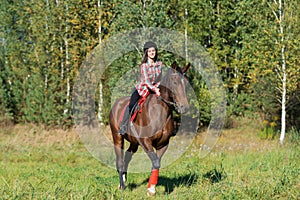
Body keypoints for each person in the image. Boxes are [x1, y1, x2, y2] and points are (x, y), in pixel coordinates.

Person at [119, 41, 162, 135]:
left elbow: (159, 79)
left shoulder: (159, 64)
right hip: (142, 90)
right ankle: (123, 125)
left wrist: (158, 87)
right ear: (146, 52)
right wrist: (155, 89)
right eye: (150, 51)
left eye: (153, 51)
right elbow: (146, 81)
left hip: (155, 89)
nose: (152, 53)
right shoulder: (144, 66)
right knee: (131, 104)